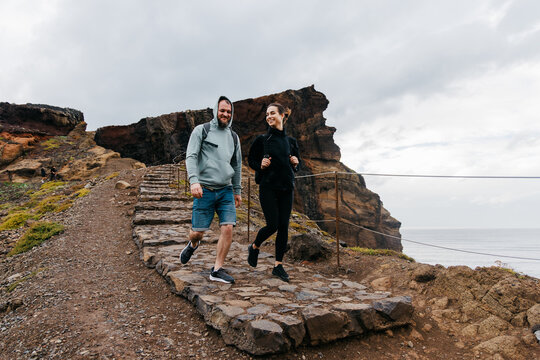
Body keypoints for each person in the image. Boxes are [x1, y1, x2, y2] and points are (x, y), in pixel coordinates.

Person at [180, 96, 242, 284]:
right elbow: (191, 156)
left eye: (229, 112)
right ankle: (193, 243)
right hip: (204, 189)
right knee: (198, 232)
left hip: (226, 190)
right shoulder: (202, 130)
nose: (226, 114)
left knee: (228, 227)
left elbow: (237, 164)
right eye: (222, 110)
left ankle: (217, 269)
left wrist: (237, 190)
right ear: (216, 110)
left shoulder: (233, 137)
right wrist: (194, 181)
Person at [247, 103, 301, 282]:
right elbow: (251, 160)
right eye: (267, 114)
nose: (269, 116)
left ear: (282, 115)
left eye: (272, 113)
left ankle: (278, 265)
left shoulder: (291, 142)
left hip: (287, 188)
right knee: (273, 225)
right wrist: (260, 165)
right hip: (268, 187)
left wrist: (295, 162)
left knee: (284, 227)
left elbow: (296, 165)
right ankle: (254, 247)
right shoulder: (262, 140)